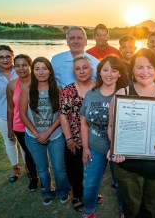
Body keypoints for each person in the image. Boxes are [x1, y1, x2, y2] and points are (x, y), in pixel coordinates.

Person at [109, 49, 155, 218]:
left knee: (152, 210)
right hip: (127, 165)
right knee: (131, 209)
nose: (145, 72)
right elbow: (111, 126)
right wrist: (115, 147)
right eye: (139, 67)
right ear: (132, 70)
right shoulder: (121, 95)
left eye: (149, 67)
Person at [80, 56, 129, 218]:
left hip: (119, 150)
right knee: (90, 185)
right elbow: (84, 123)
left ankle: (123, 210)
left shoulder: (125, 96)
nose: (109, 74)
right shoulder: (91, 95)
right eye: (105, 70)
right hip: (95, 148)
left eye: (114, 70)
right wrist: (85, 148)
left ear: (120, 74)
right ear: (99, 72)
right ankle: (89, 212)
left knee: (121, 184)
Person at [20, 57, 70, 206]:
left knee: (59, 168)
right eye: (37, 69)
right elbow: (23, 114)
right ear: (32, 71)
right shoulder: (27, 89)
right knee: (42, 169)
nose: (41, 72)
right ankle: (47, 191)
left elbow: (62, 114)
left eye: (44, 68)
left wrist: (47, 133)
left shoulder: (57, 89)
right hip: (33, 137)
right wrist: (36, 134)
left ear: (50, 70)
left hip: (55, 136)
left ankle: (63, 190)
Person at [59, 55, 96, 212]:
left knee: (93, 169)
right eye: (77, 68)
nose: (82, 71)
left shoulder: (98, 89)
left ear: (91, 69)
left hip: (95, 140)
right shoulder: (69, 90)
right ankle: (77, 195)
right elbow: (63, 115)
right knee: (75, 170)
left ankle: (91, 192)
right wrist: (69, 139)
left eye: (85, 67)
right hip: (74, 139)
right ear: (74, 71)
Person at [0, 45, 24, 183]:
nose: (5, 59)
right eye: (1, 57)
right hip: (1, 115)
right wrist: (0, 109)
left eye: (8, 56)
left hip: (21, 114)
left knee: (25, 141)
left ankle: (30, 168)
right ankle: (15, 168)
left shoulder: (20, 70)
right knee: (10, 141)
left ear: (13, 56)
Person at [7, 54, 41, 191]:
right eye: (17, 66)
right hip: (19, 125)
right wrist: (10, 128)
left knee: (40, 153)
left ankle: (45, 178)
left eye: (24, 65)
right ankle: (34, 178)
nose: (21, 68)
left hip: (37, 124)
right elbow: (10, 107)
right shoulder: (11, 85)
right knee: (28, 152)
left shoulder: (39, 81)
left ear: (30, 66)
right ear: (14, 67)